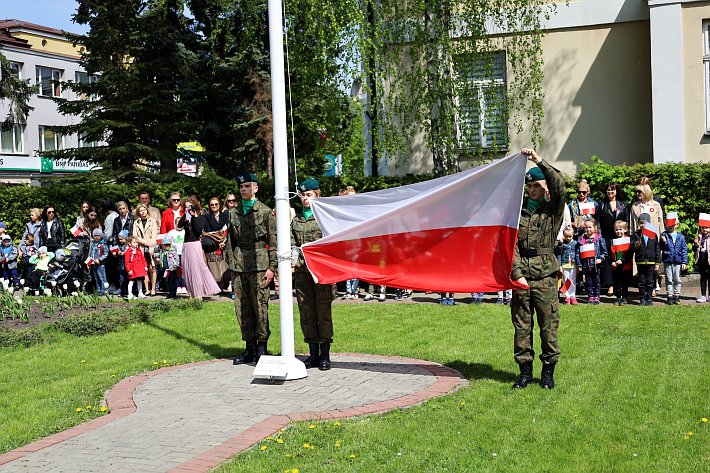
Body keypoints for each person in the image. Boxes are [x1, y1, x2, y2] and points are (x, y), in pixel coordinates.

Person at [511, 148, 565, 390]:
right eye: (529, 186)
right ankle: (524, 372)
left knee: (548, 327)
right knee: (522, 327)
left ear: (544, 187)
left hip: (545, 276)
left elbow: (559, 184)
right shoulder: (516, 212)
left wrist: (538, 161)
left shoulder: (552, 210)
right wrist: (517, 274)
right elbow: (510, 245)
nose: (532, 190)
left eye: (536, 186)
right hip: (522, 276)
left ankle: (547, 373)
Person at [225, 173, 277, 364]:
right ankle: (249, 347)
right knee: (242, 307)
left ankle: (262, 347)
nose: (243, 189)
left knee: (260, 306)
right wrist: (232, 264)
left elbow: (273, 240)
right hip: (240, 265)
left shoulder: (264, 212)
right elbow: (230, 241)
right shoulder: (233, 212)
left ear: (256, 188)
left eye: (247, 186)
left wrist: (272, 267)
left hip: (259, 265)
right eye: (241, 186)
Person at [291, 178, 335, 370]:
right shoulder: (296, 220)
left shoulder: (325, 217)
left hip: (321, 272)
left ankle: (325, 354)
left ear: (318, 195)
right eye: (302, 195)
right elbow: (292, 243)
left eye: (309, 195)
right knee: (306, 312)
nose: (305, 199)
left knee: (323, 312)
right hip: (302, 272)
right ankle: (312, 354)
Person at [177, 196, 221, 298]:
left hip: (194, 244)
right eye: (186, 206)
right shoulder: (186, 217)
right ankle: (192, 294)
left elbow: (198, 230)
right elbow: (179, 225)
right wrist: (186, 215)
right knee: (188, 270)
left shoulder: (202, 217)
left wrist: (195, 217)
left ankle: (199, 295)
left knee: (196, 270)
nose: (188, 208)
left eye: (190, 206)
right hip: (186, 245)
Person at [597, 183, 629, 293]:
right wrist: (600, 236)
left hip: (620, 237)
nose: (610, 192)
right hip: (606, 237)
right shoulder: (602, 205)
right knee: (608, 260)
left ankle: (620, 285)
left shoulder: (623, 204)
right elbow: (598, 222)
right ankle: (610, 285)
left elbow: (627, 220)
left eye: (612, 190)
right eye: (608, 190)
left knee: (619, 259)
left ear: (616, 191)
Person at [631, 213, 661, 306]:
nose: (643, 225)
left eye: (645, 223)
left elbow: (657, 249)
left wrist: (657, 262)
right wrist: (635, 244)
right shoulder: (636, 234)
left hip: (651, 261)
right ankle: (642, 298)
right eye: (641, 223)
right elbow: (631, 247)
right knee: (641, 281)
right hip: (640, 261)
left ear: (649, 223)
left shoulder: (653, 234)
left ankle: (649, 298)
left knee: (650, 281)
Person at [575, 219, 607, 305]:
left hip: (596, 265)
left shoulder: (599, 238)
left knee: (596, 281)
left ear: (595, 227)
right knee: (588, 282)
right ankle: (590, 296)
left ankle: (597, 296)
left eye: (590, 227)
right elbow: (578, 253)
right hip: (586, 264)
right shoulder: (581, 239)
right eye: (586, 227)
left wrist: (600, 259)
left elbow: (604, 252)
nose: (588, 229)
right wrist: (579, 265)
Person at [203, 196, 230, 291]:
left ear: (219, 205)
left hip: (224, 243)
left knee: (225, 265)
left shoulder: (225, 215)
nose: (214, 206)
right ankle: (216, 288)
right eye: (212, 204)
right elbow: (206, 232)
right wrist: (216, 239)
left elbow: (228, 228)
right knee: (214, 267)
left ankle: (225, 286)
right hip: (213, 245)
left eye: (216, 204)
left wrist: (223, 240)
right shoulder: (206, 217)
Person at [660, 218, 687, 305]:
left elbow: (684, 250)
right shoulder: (664, 235)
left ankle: (677, 296)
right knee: (669, 279)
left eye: (673, 224)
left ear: (677, 225)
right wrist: (664, 242)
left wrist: (684, 262)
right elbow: (660, 247)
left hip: (678, 260)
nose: (671, 226)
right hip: (668, 260)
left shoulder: (681, 236)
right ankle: (669, 296)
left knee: (677, 279)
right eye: (669, 225)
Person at [133, 204, 158, 296]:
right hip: (142, 247)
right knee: (144, 268)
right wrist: (145, 242)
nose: (143, 212)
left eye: (144, 210)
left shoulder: (152, 221)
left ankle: (153, 288)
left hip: (151, 246)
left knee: (152, 268)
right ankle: (147, 289)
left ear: (147, 210)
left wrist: (151, 246)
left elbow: (154, 235)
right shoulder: (136, 222)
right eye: (140, 210)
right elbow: (135, 236)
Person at [610, 220, 632, 306]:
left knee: (625, 282)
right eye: (617, 229)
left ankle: (624, 297)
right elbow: (610, 253)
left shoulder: (628, 240)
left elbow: (629, 254)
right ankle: (618, 297)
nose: (618, 231)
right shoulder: (612, 241)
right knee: (617, 283)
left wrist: (622, 260)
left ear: (625, 230)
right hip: (615, 266)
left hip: (626, 265)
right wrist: (612, 262)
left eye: (620, 229)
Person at [557, 225, 578, 305]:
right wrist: (560, 265)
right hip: (565, 265)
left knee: (572, 281)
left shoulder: (575, 243)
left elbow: (578, 253)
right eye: (566, 236)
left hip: (573, 265)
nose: (568, 238)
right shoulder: (562, 244)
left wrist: (578, 264)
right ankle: (567, 296)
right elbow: (559, 254)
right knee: (566, 281)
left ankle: (573, 296)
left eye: (570, 236)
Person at [88, 228, 109, 295]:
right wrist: (89, 262)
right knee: (96, 277)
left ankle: (104, 290)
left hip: (100, 264)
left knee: (102, 277)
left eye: (98, 235)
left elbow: (105, 254)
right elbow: (91, 253)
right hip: (93, 264)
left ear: (101, 236)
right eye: (95, 235)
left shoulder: (103, 244)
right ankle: (99, 290)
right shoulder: (93, 244)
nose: (96, 237)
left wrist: (99, 259)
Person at [694, 224, 710, 302]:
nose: (704, 229)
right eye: (703, 228)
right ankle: (703, 295)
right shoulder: (699, 236)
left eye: (706, 228)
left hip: (709, 259)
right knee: (703, 277)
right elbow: (696, 248)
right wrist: (696, 244)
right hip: (701, 258)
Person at [115, 230, 130, 297]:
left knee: (128, 279)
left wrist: (124, 253)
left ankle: (128, 291)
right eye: (119, 239)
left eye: (122, 239)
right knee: (121, 279)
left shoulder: (128, 246)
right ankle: (122, 291)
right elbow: (116, 255)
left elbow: (129, 253)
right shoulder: (119, 246)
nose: (120, 240)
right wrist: (116, 254)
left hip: (127, 265)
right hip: (120, 265)